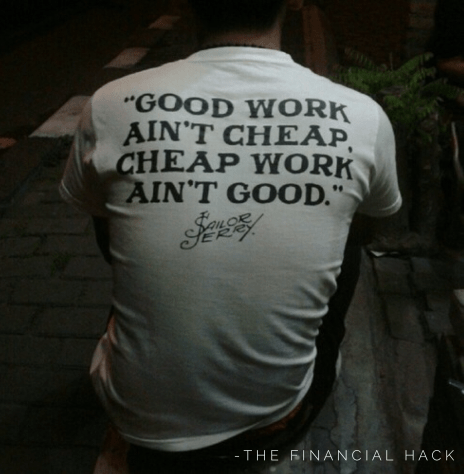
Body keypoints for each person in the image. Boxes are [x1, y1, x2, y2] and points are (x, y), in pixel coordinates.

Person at [60, 0, 402, 471]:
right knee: (347, 241)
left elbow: (108, 249)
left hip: (136, 414)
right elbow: (370, 228)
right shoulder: (362, 116)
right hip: (274, 419)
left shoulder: (109, 104)